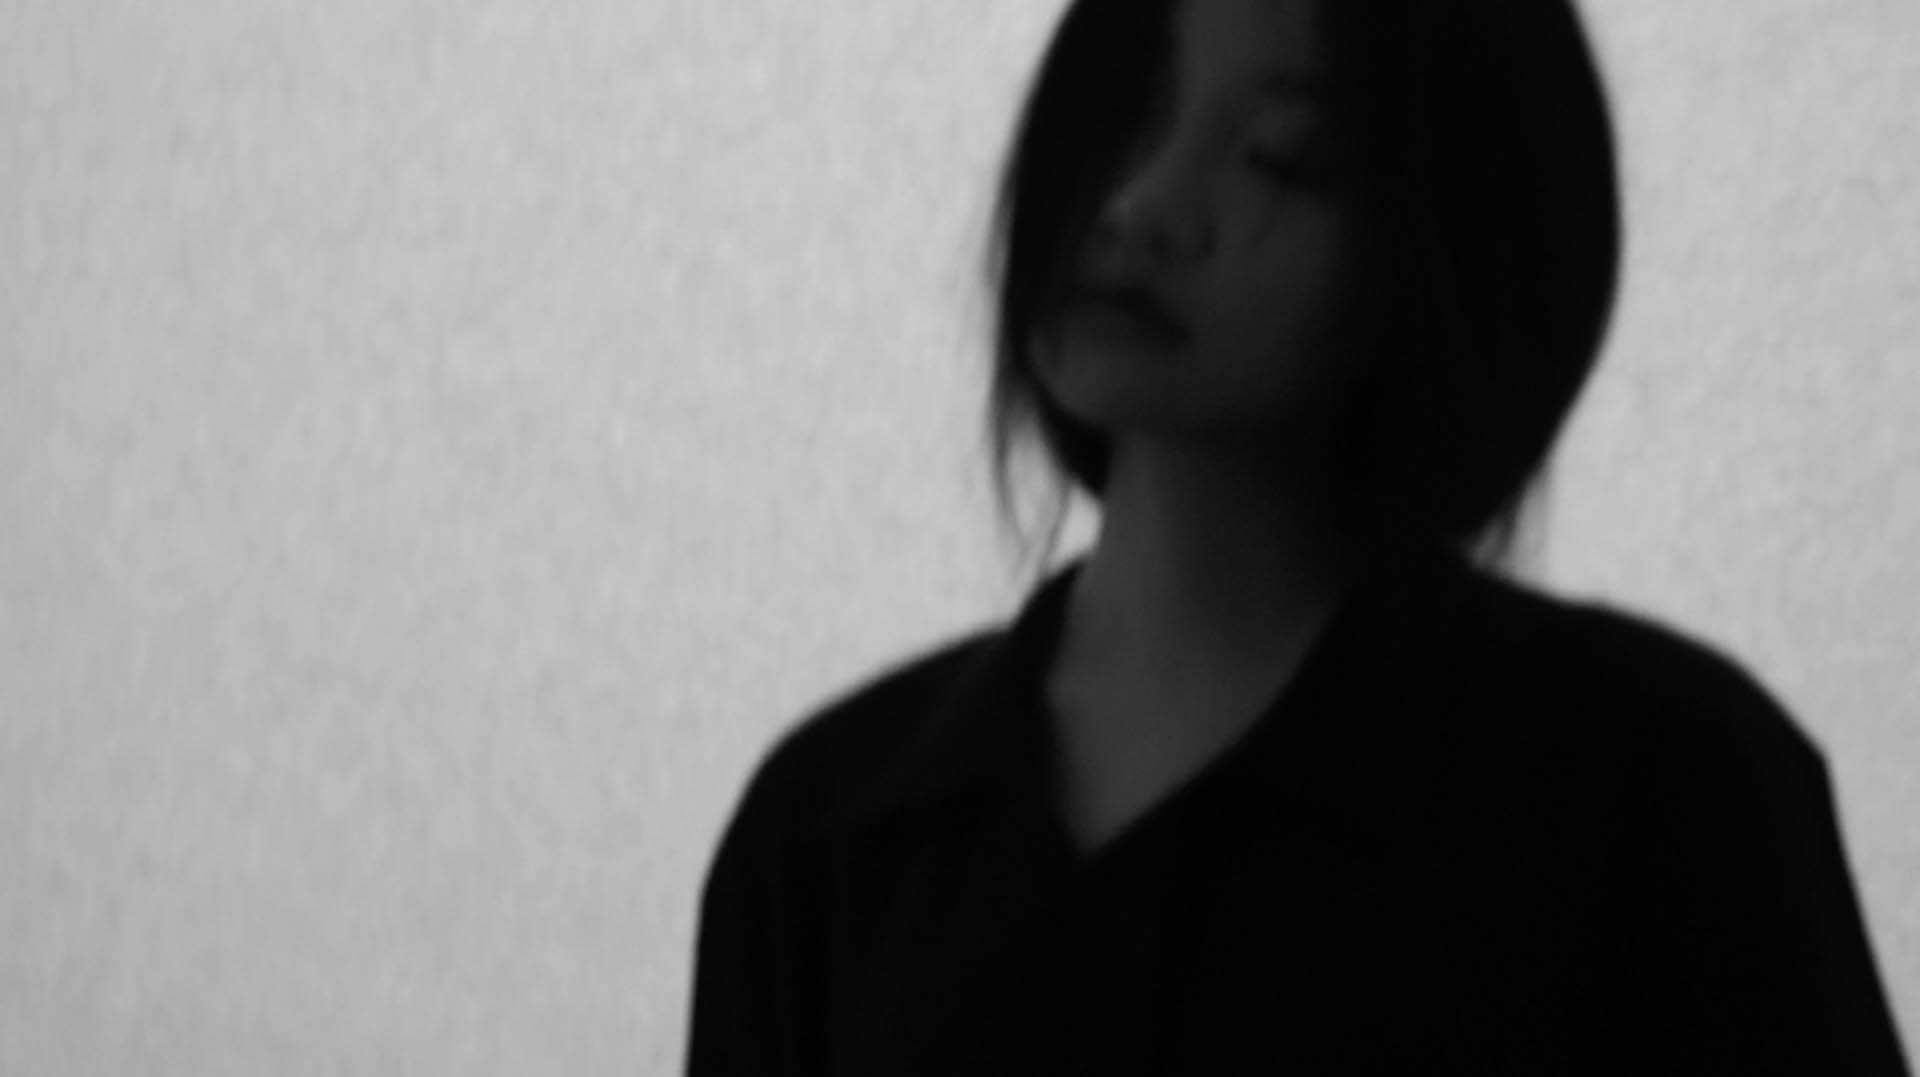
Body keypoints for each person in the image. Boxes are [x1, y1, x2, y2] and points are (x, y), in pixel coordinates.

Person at [684, 0, 1914, 1073]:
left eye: (1283, 158)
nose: (1146, 207)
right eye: (1125, 112)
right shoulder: (832, 830)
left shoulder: (1663, 789)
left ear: (1443, 236)